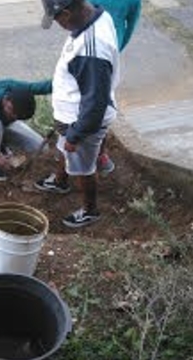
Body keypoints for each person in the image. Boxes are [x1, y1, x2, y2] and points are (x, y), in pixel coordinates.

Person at [35, 0, 120, 228]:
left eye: (58, 19)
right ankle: (61, 181)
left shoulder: (92, 50)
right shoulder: (96, 16)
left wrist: (76, 135)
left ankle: (90, 210)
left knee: (84, 168)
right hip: (72, 119)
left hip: (81, 122)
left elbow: (95, 104)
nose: (59, 25)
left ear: (68, 12)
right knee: (66, 149)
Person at [90, 0, 141, 175]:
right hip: (87, 50)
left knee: (103, 103)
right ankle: (77, 149)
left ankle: (100, 154)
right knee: (82, 101)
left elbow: (130, 26)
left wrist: (116, 49)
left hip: (108, 56)